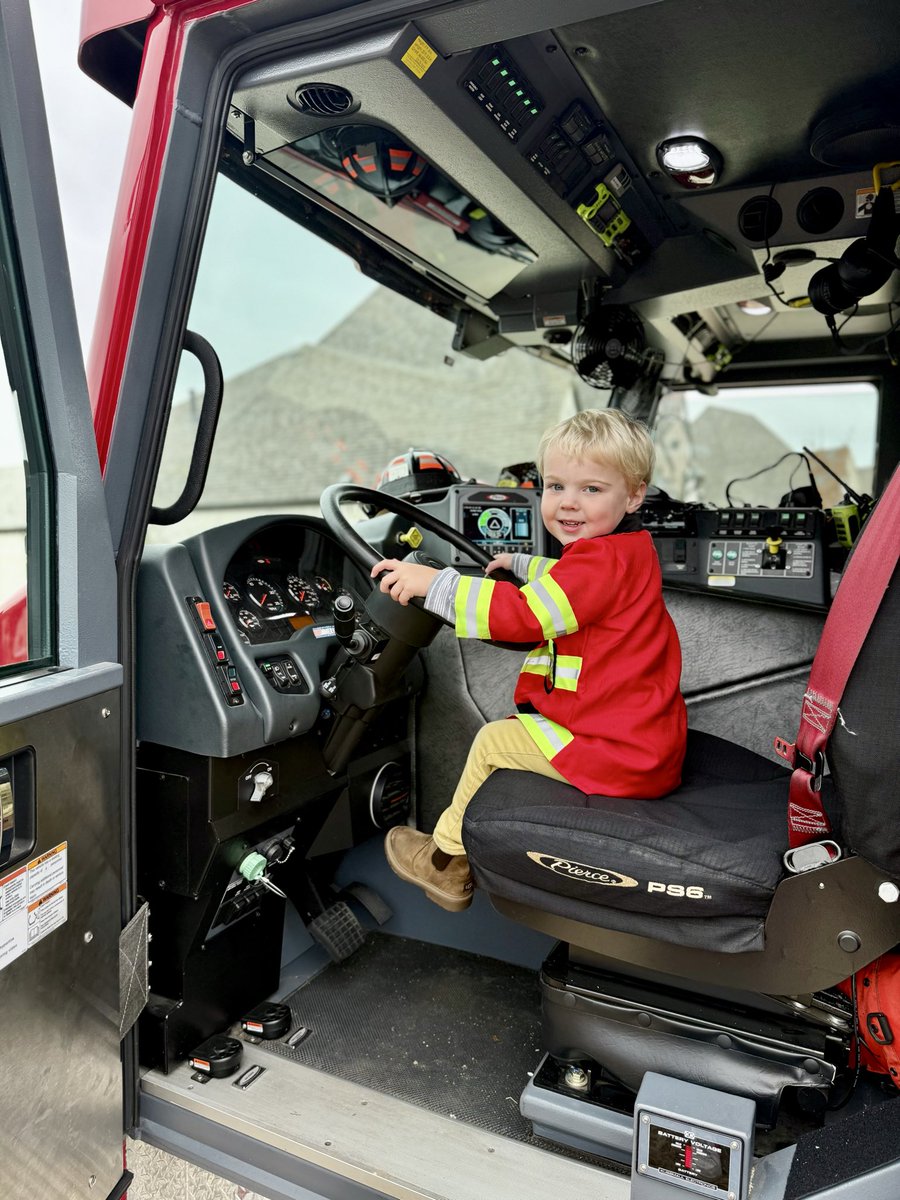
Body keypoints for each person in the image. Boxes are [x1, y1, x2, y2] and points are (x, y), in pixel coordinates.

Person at [370, 408, 687, 912]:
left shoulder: (599, 562)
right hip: (644, 742)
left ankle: (445, 863)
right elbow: (575, 584)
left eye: (591, 490)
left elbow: (525, 615)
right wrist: (522, 563)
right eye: (556, 486)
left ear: (633, 495)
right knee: (511, 734)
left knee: (494, 740)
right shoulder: (628, 549)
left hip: (619, 752)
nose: (568, 504)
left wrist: (438, 585)